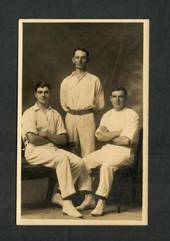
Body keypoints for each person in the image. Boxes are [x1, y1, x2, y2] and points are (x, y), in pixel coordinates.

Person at [22, 81, 91, 218]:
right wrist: (54, 137)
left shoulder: (55, 114)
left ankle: (58, 194)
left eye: (46, 92)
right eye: (40, 92)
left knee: (79, 162)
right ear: (35, 94)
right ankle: (67, 202)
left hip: (51, 149)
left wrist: (46, 135)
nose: (43, 95)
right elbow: (33, 140)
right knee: (62, 158)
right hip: (34, 151)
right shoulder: (29, 113)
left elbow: (63, 140)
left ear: (50, 94)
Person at [76, 87, 140, 216]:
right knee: (83, 162)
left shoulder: (132, 115)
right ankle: (89, 198)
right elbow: (99, 136)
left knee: (107, 166)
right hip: (107, 149)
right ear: (110, 99)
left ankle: (101, 202)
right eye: (114, 96)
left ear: (125, 98)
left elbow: (126, 141)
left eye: (120, 96)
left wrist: (108, 135)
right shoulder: (107, 115)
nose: (117, 99)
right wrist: (118, 132)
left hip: (125, 153)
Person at [60, 48, 105, 157]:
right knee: (72, 150)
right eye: (77, 57)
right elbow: (63, 103)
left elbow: (100, 104)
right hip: (70, 117)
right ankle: (73, 174)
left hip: (87, 117)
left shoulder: (94, 80)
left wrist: (86, 109)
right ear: (73, 60)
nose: (80, 60)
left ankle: (88, 174)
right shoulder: (66, 81)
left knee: (88, 151)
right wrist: (73, 111)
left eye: (83, 58)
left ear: (87, 60)